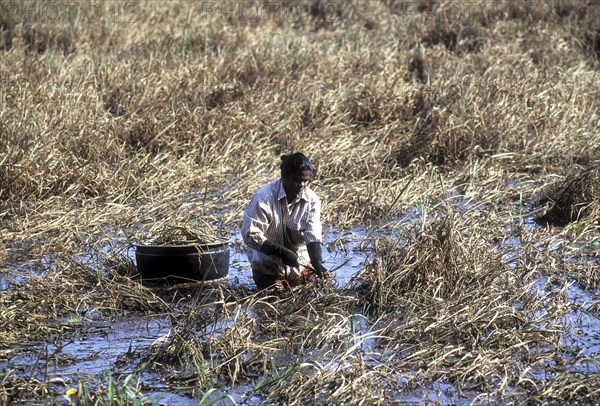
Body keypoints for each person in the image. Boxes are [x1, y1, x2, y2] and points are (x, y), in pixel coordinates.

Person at [241, 152, 328, 291]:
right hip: (268, 266)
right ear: (284, 177)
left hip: (300, 264)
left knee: (313, 292)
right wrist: (281, 252)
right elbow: (250, 234)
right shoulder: (264, 198)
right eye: (296, 180)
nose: (302, 185)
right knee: (274, 297)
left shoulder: (312, 200)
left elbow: (313, 233)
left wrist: (317, 264)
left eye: (306, 181)